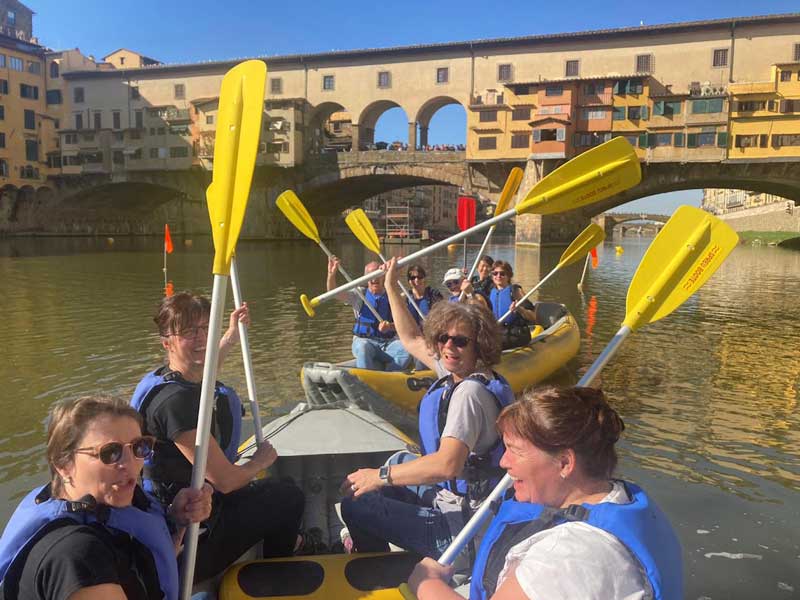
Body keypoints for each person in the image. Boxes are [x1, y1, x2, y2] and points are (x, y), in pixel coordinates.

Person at [406, 386, 683, 600]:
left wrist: (426, 583)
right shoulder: (621, 498)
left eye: (515, 451)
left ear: (564, 463)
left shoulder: (567, 557)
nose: (503, 462)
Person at [340, 257, 513, 567]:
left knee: (355, 504)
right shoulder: (461, 371)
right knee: (400, 461)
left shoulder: (470, 394)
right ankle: (385, 537)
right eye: (443, 338)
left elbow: (447, 465)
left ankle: (373, 567)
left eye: (460, 341)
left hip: (460, 533)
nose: (449, 347)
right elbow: (409, 338)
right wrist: (392, 287)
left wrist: (379, 477)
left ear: (479, 345)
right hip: (456, 502)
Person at [130, 292, 304, 581]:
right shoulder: (175, 405)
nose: (201, 338)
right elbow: (226, 480)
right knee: (288, 496)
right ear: (167, 343)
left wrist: (230, 337)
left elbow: (204, 369)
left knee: (278, 485)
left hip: (201, 506)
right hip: (190, 541)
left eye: (205, 328)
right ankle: (277, 577)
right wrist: (260, 461)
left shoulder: (170, 378)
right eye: (188, 332)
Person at [0, 395, 213, 600]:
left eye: (139, 447)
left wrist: (178, 521)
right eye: (110, 452)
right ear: (63, 465)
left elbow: (148, 560)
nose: (130, 465)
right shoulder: (77, 555)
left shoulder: (112, 499)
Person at [327, 256, 410, 371]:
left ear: (383, 276)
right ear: (366, 279)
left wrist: (390, 326)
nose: (374, 279)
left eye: (377, 274)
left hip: (388, 344)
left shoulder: (393, 295)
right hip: (364, 341)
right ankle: (366, 380)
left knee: (406, 348)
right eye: (371, 276)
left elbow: (404, 326)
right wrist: (331, 275)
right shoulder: (359, 295)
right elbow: (333, 293)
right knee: (363, 347)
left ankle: (389, 377)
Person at [488, 261, 537, 350]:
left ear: (509, 276)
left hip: (516, 334)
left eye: (502, 274)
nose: (498, 276)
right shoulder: (491, 291)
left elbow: (533, 317)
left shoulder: (515, 291)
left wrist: (519, 309)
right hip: (499, 333)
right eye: (495, 273)